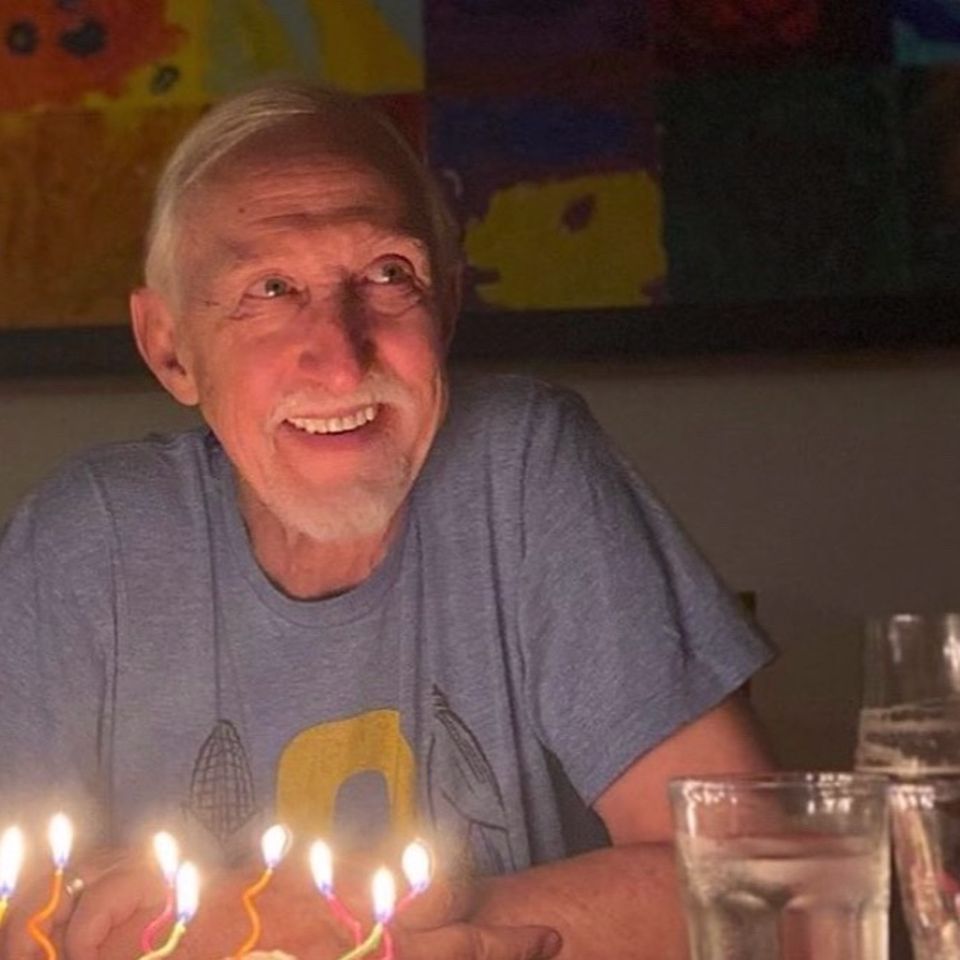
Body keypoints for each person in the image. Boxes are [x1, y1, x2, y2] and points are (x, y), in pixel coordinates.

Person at [0, 82, 774, 960]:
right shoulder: (89, 538)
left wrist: (314, 931)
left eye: (387, 275)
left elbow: (755, 883)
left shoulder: (522, 467)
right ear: (170, 347)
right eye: (271, 288)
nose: (340, 357)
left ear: (445, 306)